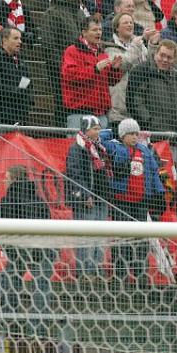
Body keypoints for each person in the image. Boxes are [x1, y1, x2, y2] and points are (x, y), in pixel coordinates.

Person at [101, 118, 165, 285]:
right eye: (130, 134)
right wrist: (112, 130)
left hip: (140, 203)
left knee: (141, 240)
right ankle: (120, 277)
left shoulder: (144, 151)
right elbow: (100, 138)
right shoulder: (115, 147)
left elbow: (154, 172)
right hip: (122, 202)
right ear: (122, 135)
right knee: (121, 240)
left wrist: (159, 193)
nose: (135, 137)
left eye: (136, 133)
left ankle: (140, 276)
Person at [0, 165, 54, 320]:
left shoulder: (8, 201)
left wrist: (5, 248)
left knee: (10, 280)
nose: (4, 181)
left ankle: (10, 320)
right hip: (40, 248)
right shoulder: (39, 200)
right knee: (41, 284)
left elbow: (0, 227)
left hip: (17, 249)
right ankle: (40, 325)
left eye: (6, 178)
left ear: (14, 179)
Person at [65, 116, 112, 280]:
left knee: (99, 236)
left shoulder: (100, 148)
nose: (98, 132)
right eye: (95, 129)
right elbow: (74, 174)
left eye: (99, 128)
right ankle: (84, 272)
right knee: (86, 237)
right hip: (86, 200)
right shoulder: (76, 148)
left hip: (101, 198)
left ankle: (97, 270)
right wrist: (85, 195)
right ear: (86, 130)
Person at [61, 17, 123, 128]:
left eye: (100, 29)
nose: (98, 33)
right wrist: (95, 69)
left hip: (101, 114)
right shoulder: (72, 50)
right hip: (79, 113)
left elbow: (111, 81)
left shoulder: (102, 53)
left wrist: (115, 69)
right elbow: (70, 75)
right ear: (84, 32)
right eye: (94, 30)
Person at [42, 0, 86, 126]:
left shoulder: (79, 13)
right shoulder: (52, 13)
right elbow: (48, 44)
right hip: (61, 70)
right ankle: (62, 133)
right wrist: (62, 66)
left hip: (82, 68)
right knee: (62, 103)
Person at [126, 40, 177, 134]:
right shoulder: (142, 71)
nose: (165, 60)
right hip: (150, 133)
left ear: (174, 59)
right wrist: (149, 121)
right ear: (155, 54)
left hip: (175, 133)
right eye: (162, 55)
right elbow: (134, 101)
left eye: (169, 57)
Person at [103, 12, 151, 126]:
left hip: (140, 104)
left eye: (131, 22)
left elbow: (149, 65)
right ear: (117, 28)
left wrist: (152, 45)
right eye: (125, 22)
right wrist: (135, 46)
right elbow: (121, 65)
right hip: (119, 108)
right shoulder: (109, 47)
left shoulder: (139, 45)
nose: (130, 25)